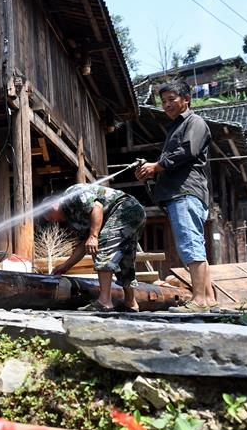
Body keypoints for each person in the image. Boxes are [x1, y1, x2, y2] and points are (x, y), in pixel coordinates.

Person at [135, 79, 215, 306]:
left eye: (172, 99)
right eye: (164, 101)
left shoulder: (195, 122)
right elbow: (172, 161)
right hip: (177, 192)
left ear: (186, 99)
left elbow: (188, 151)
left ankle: (199, 299)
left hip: (186, 191)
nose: (167, 105)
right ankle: (208, 299)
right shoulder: (175, 127)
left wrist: (157, 166)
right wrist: (150, 171)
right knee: (194, 244)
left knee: (190, 244)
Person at [42, 183, 146, 312]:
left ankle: (104, 302)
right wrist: (65, 266)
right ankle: (131, 303)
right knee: (124, 259)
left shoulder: (72, 194)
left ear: (53, 206)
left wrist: (94, 236)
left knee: (103, 249)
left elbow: (97, 207)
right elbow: (83, 245)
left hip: (125, 208)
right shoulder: (72, 218)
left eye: (52, 218)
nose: (55, 222)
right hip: (131, 214)